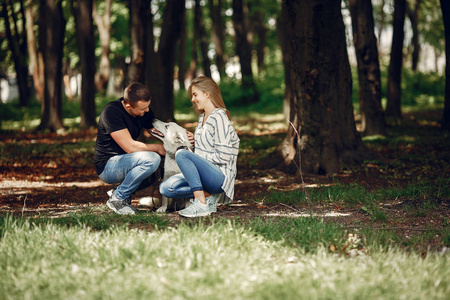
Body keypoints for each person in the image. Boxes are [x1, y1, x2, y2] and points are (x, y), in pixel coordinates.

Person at [159, 75, 240, 217]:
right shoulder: (203, 118)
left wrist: (194, 156)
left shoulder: (219, 117)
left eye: (195, 94)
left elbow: (225, 156)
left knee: (181, 154)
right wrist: (196, 142)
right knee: (166, 188)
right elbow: (209, 147)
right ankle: (208, 196)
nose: (192, 99)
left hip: (219, 176)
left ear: (207, 94)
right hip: (207, 175)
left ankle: (200, 203)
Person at [94, 82, 166, 215]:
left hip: (129, 161)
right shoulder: (111, 112)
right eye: (143, 108)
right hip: (108, 166)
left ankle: (121, 193)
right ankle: (118, 199)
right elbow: (130, 147)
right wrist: (157, 147)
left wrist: (180, 137)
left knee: (164, 163)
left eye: (148, 106)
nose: (147, 111)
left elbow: (156, 132)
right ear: (128, 106)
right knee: (152, 159)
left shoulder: (144, 111)